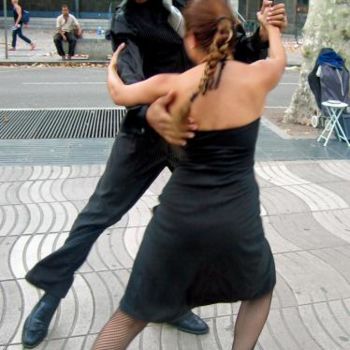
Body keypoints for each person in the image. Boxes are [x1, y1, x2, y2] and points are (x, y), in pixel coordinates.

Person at [22, 0, 288, 348]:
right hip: (146, 134)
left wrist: (260, 34)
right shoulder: (127, 17)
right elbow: (129, 75)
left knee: (184, 215)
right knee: (98, 214)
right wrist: (150, 113)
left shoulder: (193, 7)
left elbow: (228, 56)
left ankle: (171, 304)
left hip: (195, 135)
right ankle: (51, 294)